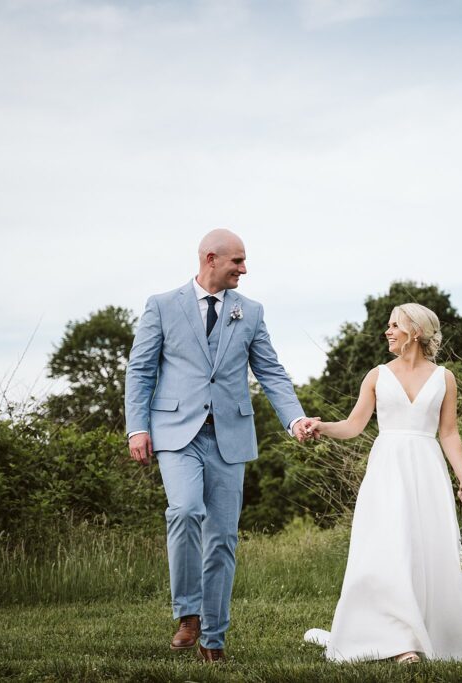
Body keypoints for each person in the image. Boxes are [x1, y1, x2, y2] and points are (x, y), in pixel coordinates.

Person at [125, 229, 316, 664]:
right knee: (186, 511)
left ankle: (214, 638)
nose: (244, 270)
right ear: (211, 258)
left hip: (229, 437)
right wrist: (137, 428)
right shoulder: (162, 305)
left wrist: (295, 418)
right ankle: (187, 613)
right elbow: (140, 371)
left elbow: (271, 371)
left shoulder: (249, 312)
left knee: (223, 539)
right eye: (238, 262)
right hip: (176, 434)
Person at [303, 303, 462, 663]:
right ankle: (397, 641)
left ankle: (435, 630)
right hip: (387, 470)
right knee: (387, 546)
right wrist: (322, 427)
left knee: (430, 547)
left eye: (395, 325)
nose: (388, 331)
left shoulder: (445, 378)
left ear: (416, 332)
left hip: (427, 469)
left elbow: (449, 433)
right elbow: (354, 425)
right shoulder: (377, 375)